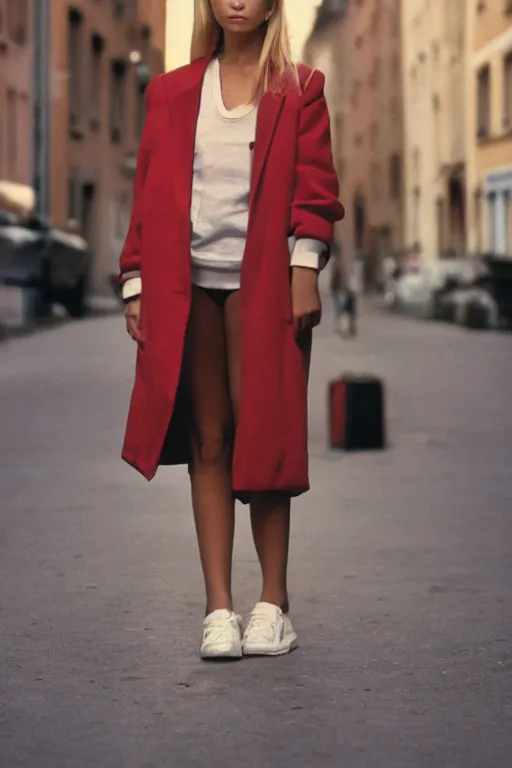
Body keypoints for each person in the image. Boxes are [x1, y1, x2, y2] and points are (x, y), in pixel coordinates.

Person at [119, 0, 344, 660]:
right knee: (207, 440)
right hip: (186, 286)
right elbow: (149, 190)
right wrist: (135, 282)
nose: (238, 1)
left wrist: (307, 266)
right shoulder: (171, 92)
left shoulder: (300, 88)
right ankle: (219, 606)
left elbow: (316, 188)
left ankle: (272, 602)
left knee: (264, 438)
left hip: (266, 284)